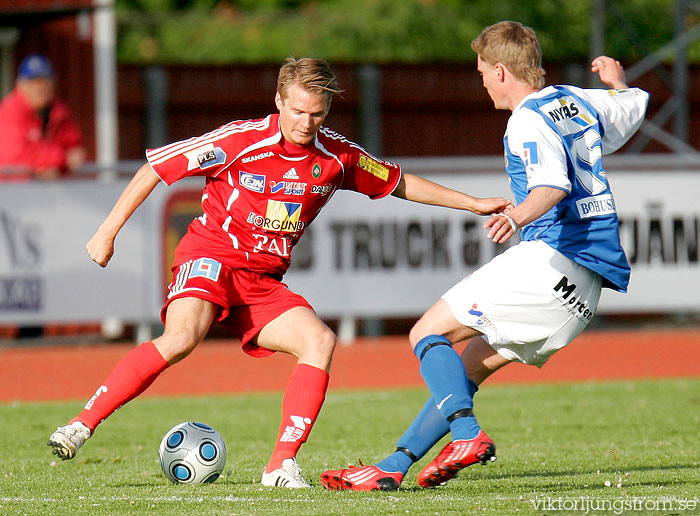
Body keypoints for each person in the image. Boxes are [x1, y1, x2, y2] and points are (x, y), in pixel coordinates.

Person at [47, 57, 510, 488]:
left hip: (262, 282)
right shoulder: (240, 140)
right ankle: (80, 425)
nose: (306, 123)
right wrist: (107, 231)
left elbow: (398, 182)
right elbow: (155, 167)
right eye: (299, 111)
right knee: (183, 336)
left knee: (320, 341)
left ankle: (281, 464)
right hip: (211, 256)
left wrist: (472, 203)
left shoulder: (335, 157)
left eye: (318, 115)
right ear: (279, 102)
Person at [320, 21, 649, 491]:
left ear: (499, 71)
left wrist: (517, 217)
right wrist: (617, 83)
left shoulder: (527, 119)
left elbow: (551, 185)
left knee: (426, 331)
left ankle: (467, 434)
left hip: (553, 259)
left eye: (480, 73)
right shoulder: (579, 99)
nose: (480, 82)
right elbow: (630, 106)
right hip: (584, 294)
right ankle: (392, 466)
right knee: (467, 369)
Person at [0, 53, 86, 181]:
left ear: (53, 83)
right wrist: (60, 159)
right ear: (20, 85)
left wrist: (53, 167)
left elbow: (75, 150)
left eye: (44, 81)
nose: (39, 88)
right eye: (33, 82)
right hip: (12, 192)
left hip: (53, 192)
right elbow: (16, 154)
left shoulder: (60, 112)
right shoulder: (9, 111)